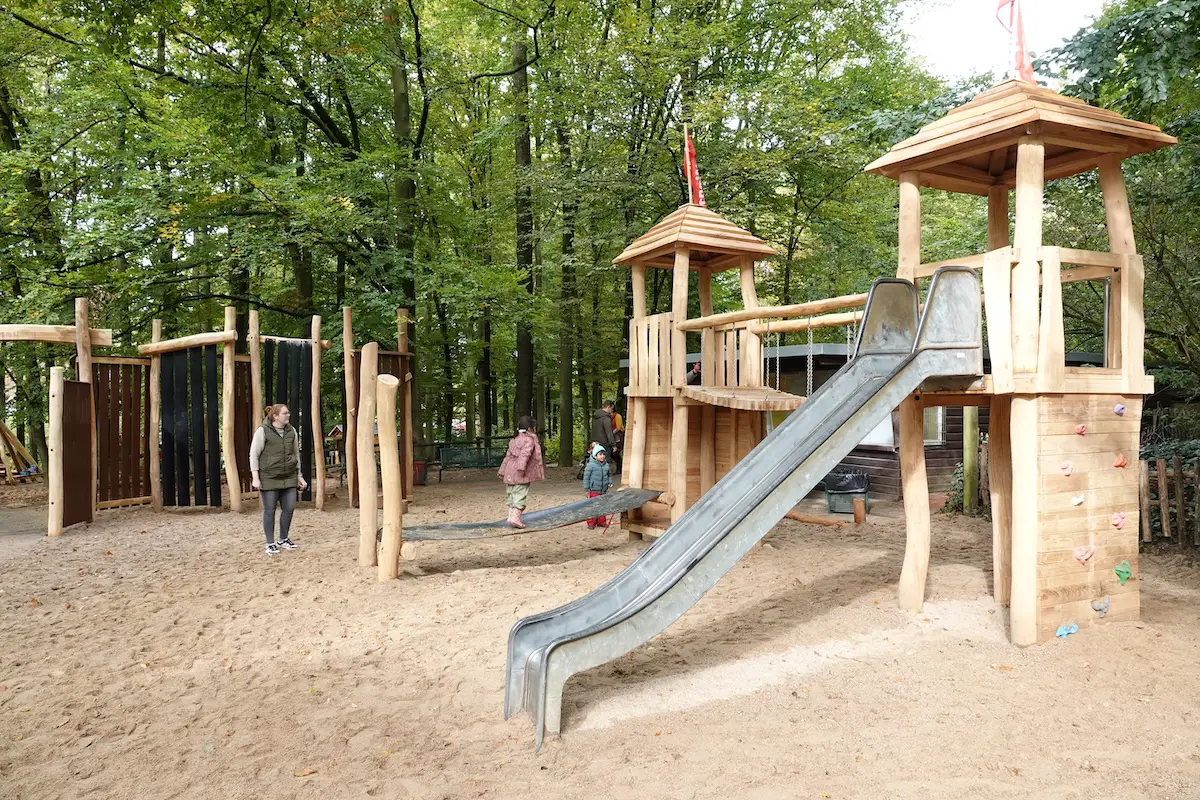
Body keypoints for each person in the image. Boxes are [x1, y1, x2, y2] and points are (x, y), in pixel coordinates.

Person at [250, 404, 308, 556]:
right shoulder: (263, 431)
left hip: (288, 476)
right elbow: (253, 455)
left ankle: (283, 539)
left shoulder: (292, 431)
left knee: (289, 508)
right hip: (268, 476)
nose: (288, 415)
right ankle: (270, 543)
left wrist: (299, 475)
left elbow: (296, 455)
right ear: (275, 416)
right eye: (285, 413)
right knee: (269, 510)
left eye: (288, 413)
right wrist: (255, 478)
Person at [497, 415, 544, 528]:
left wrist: (502, 470)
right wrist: (521, 468)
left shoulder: (514, 439)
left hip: (509, 470)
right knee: (520, 494)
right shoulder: (529, 440)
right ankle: (515, 518)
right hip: (520, 472)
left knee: (512, 494)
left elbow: (507, 456)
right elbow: (525, 455)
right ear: (531, 428)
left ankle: (510, 516)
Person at [582, 444, 613, 529]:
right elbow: (586, 478)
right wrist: (587, 489)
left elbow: (609, 475)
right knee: (594, 506)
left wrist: (609, 482)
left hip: (603, 490)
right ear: (595, 456)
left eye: (603, 454)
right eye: (600, 454)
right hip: (594, 490)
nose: (602, 456)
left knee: (602, 506)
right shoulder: (590, 465)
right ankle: (591, 523)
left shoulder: (606, 465)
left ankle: (601, 522)